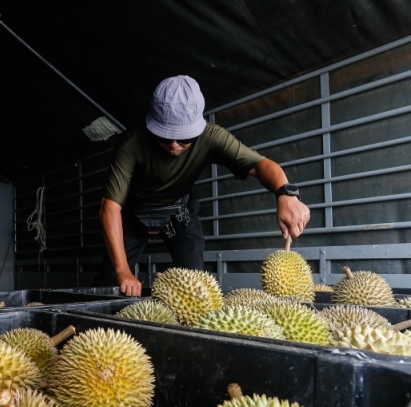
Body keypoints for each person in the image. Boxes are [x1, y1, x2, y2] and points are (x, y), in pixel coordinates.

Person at [94, 75, 310, 296]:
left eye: (183, 139)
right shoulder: (131, 144)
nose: (173, 146)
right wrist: (123, 270)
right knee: (111, 283)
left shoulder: (212, 137)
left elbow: (259, 164)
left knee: (195, 288)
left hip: (178, 214)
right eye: (163, 136)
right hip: (135, 216)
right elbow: (109, 207)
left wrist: (286, 193)